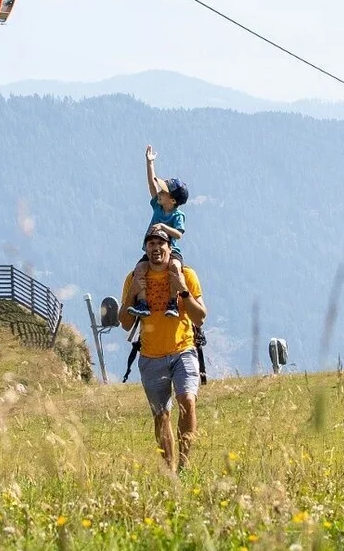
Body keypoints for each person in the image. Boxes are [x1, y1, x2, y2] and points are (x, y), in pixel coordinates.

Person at [118, 227, 206, 474]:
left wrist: (183, 290)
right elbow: (124, 323)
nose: (156, 248)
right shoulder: (134, 278)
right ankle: (170, 472)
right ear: (146, 250)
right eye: (151, 244)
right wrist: (133, 294)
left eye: (161, 244)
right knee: (162, 416)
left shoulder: (186, 275)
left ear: (170, 248)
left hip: (183, 350)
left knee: (187, 401)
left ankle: (185, 467)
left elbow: (200, 317)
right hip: (150, 356)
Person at [127, 145, 188, 318]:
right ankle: (142, 302)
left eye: (164, 192)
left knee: (175, 268)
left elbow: (178, 235)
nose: (159, 193)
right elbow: (151, 184)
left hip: (171, 251)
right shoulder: (158, 207)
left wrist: (162, 227)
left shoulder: (177, 215)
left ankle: (172, 302)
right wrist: (150, 162)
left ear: (173, 200)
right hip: (152, 252)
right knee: (139, 269)